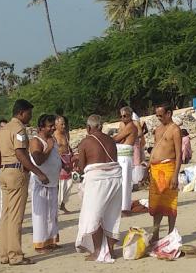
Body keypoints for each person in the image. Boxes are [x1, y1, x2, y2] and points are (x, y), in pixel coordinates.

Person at [0, 99, 48, 266]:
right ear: (21, 113)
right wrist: (38, 172)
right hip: (16, 172)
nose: (30, 117)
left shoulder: (3, 129)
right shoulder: (19, 129)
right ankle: (15, 255)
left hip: (4, 171)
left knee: (5, 215)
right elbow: (21, 153)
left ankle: (4, 254)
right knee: (15, 216)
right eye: (29, 113)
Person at [74, 115, 122, 262]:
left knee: (93, 215)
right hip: (115, 179)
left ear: (88, 128)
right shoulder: (111, 141)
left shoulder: (85, 142)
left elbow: (82, 168)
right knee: (111, 215)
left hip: (97, 181)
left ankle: (98, 251)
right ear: (101, 126)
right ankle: (111, 251)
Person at [149, 104, 182, 244]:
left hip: (168, 169)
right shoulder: (157, 129)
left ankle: (170, 233)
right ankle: (155, 233)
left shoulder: (175, 130)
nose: (159, 118)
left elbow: (179, 154)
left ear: (169, 113)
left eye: (161, 115)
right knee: (156, 204)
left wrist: (175, 174)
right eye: (157, 115)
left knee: (169, 202)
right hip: (155, 170)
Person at [28, 115, 61, 251]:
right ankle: (40, 244)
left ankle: (51, 240)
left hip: (52, 182)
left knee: (52, 213)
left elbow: (55, 156)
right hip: (40, 182)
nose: (53, 128)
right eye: (50, 126)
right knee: (41, 214)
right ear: (41, 127)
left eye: (53, 125)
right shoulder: (35, 141)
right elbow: (38, 159)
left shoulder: (52, 139)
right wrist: (48, 148)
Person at [114, 107, 141, 215]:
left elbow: (116, 139)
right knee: (122, 181)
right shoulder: (125, 126)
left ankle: (124, 207)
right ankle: (122, 206)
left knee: (124, 182)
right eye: (120, 116)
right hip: (122, 155)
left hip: (124, 156)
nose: (122, 118)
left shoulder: (130, 126)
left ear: (130, 115)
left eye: (125, 116)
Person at [56, 115, 76, 214]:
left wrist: (72, 156)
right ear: (56, 125)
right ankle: (58, 206)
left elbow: (68, 146)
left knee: (69, 184)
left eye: (64, 124)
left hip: (68, 159)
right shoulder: (54, 136)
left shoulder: (66, 134)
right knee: (61, 184)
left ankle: (63, 205)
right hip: (60, 161)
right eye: (61, 124)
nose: (64, 126)